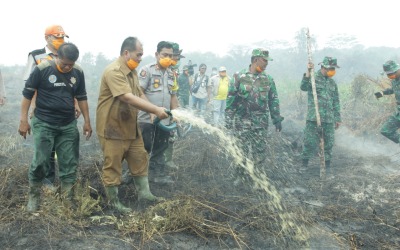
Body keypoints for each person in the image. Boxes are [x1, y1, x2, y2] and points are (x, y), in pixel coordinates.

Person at [96, 37, 169, 213]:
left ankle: (145, 194)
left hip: (130, 126)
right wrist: (156, 109)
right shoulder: (113, 71)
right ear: (126, 52)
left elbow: (138, 94)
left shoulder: (132, 71)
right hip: (112, 127)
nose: (140, 58)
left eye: (142, 55)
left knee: (140, 157)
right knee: (113, 165)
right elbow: (127, 97)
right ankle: (114, 202)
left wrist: (152, 111)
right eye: (138, 54)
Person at [18, 43, 92, 212]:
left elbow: (81, 96)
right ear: (57, 56)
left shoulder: (78, 72)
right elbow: (27, 95)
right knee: (41, 161)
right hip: (44, 122)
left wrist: (87, 121)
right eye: (64, 63)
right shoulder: (42, 69)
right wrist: (23, 120)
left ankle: (67, 199)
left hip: (67, 124)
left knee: (69, 162)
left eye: (71, 64)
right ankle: (34, 196)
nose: (67, 67)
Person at [23, 24, 81, 187]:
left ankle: (59, 181)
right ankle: (46, 182)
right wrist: (33, 106)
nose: (60, 40)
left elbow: (73, 83)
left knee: (61, 146)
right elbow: (29, 85)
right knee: (45, 148)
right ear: (47, 38)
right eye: (57, 37)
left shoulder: (67, 54)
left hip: (63, 109)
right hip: (42, 108)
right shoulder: (36, 55)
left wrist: (75, 102)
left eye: (62, 37)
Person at [226, 48, 284, 168]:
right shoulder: (239, 77)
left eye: (267, 61)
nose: (266, 64)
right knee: (241, 152)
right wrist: (228, 119)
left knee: (260, 153)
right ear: (255, 60)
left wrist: (276, 119)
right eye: (264, 60)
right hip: (242, 122)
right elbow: (231, 98)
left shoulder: (268, 79)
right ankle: (240, 177)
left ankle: (258, 179)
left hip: (260, 124)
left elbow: (273, 100)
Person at [138, 41, 179, 184]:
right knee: (144, 147)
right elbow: (139, 92)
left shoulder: (171, 74)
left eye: (170, 55)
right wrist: (151, 110)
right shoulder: (147, 70)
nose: (168, 58)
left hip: (164, 120)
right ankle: (136, 177)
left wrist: (176, 115)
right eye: (164, 55)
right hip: (146, 119)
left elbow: (173, 96)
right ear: (157, 54)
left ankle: (158, 175)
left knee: (161, 146)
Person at [300, 56, 341, 174]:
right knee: (309, 141)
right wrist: (308, 71)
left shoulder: (333, 83)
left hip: (329, 119)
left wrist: (337, 118)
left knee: (329, 143)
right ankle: (304, 165)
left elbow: (336, 101)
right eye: (331, 68)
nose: (333, 70)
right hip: (314, 117)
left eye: (334, 68)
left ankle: (327, 167)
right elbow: (303, 87)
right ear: (324, 67)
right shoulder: (313, 78)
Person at [375, 60, 400, 144]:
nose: (390, 76)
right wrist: (383, 93)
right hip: (398, 112)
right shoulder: (395, 81)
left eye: (391, 74)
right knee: (386, 130)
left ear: (398, 70)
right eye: (388, 74)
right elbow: (394, 90)